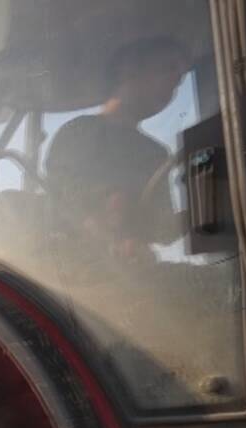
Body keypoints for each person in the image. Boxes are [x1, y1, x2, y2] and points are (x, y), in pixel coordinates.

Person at [46, 36, 191, 261]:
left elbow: (160, 229)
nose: (174, 83)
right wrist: (106, 204)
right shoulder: (78, 132)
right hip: (71, 265)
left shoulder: (156, 153)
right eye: (167, 69)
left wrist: (200, 215)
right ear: (129, 69)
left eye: (180, 79)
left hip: (130, 269)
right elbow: (61, 194)